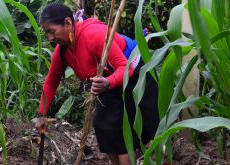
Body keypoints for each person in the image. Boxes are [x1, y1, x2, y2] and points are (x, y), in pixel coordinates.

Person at [35, 3, 160, 165]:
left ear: (67, 23)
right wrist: (41, 114)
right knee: (103, 125)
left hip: (136, 73)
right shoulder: (62, 51)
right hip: (108, 81)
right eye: (47, 33)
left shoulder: (93, 35)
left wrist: (108, 83)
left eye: (52, 31)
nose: (50, 38)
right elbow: (51, 82)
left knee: (133, 130)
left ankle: (161, 156)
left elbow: (125, 68)